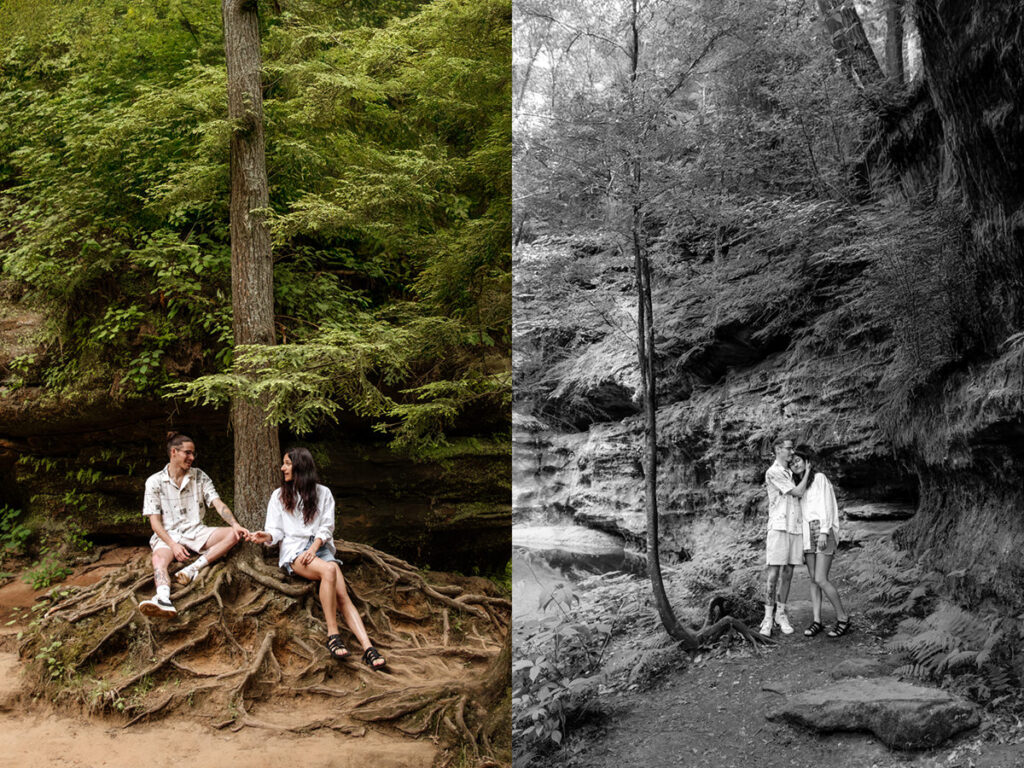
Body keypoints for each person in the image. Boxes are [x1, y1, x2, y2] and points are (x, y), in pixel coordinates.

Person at [250, 447, 386, 669]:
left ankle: (368, 648)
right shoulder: (278, 495)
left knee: (343, 596)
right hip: (294, 550)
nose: (282, 468)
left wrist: (314, 549)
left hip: (319, 549)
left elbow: (326, 527)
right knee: (330, 570)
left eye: (287, 463)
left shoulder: (323, 493)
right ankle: (333, 634)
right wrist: (265, 536)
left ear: (300, 466)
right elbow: (275, 531)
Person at [139, 432, 249, 618]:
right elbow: (155, 522)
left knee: (233, 534)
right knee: (159, 559)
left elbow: (217, 503)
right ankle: (163, 598)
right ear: (174, 452)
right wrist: (173, 545)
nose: (191, 458)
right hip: (168, 535)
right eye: (187, 453)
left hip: (196, 531)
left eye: (193, 454)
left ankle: (192, 569)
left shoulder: (199, 476)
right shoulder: (154, 482)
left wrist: (235, 524)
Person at [792, 444, 851, 638]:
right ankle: (817, 621)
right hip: (807, 534)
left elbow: (827, 506)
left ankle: (843, 618)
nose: (795, 464)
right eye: (792, 463)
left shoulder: (819, 478)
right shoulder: (799, 487)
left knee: (820, 578)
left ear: (807, 461)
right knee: (813, 580)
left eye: (798, 460)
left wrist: (825, 531)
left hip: (822, 530)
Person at [761, 437, 812, 637]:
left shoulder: (792, 473)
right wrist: (808, 471)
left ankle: (781, 614)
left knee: (789, 572)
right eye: (789, 449)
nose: (792, 452)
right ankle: (767, 617)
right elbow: (798, 492)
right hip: (779, 527)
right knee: (773, 574)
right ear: (778, 449)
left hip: (794, 527)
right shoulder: (773, 472)